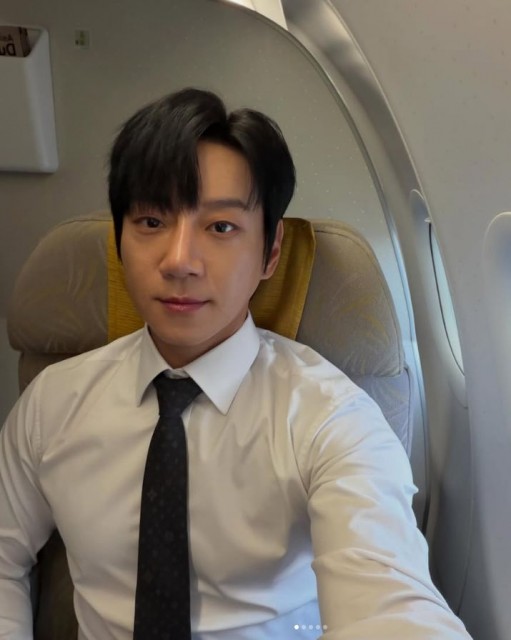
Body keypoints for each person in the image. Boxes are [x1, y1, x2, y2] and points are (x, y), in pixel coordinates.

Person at [0, 88, 472, 639]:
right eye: (151, 221)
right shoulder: (53, 403)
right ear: (119, 241)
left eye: (221, 227)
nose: (179, 261)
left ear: (270, 253)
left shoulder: (328, 417)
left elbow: (388, 598)